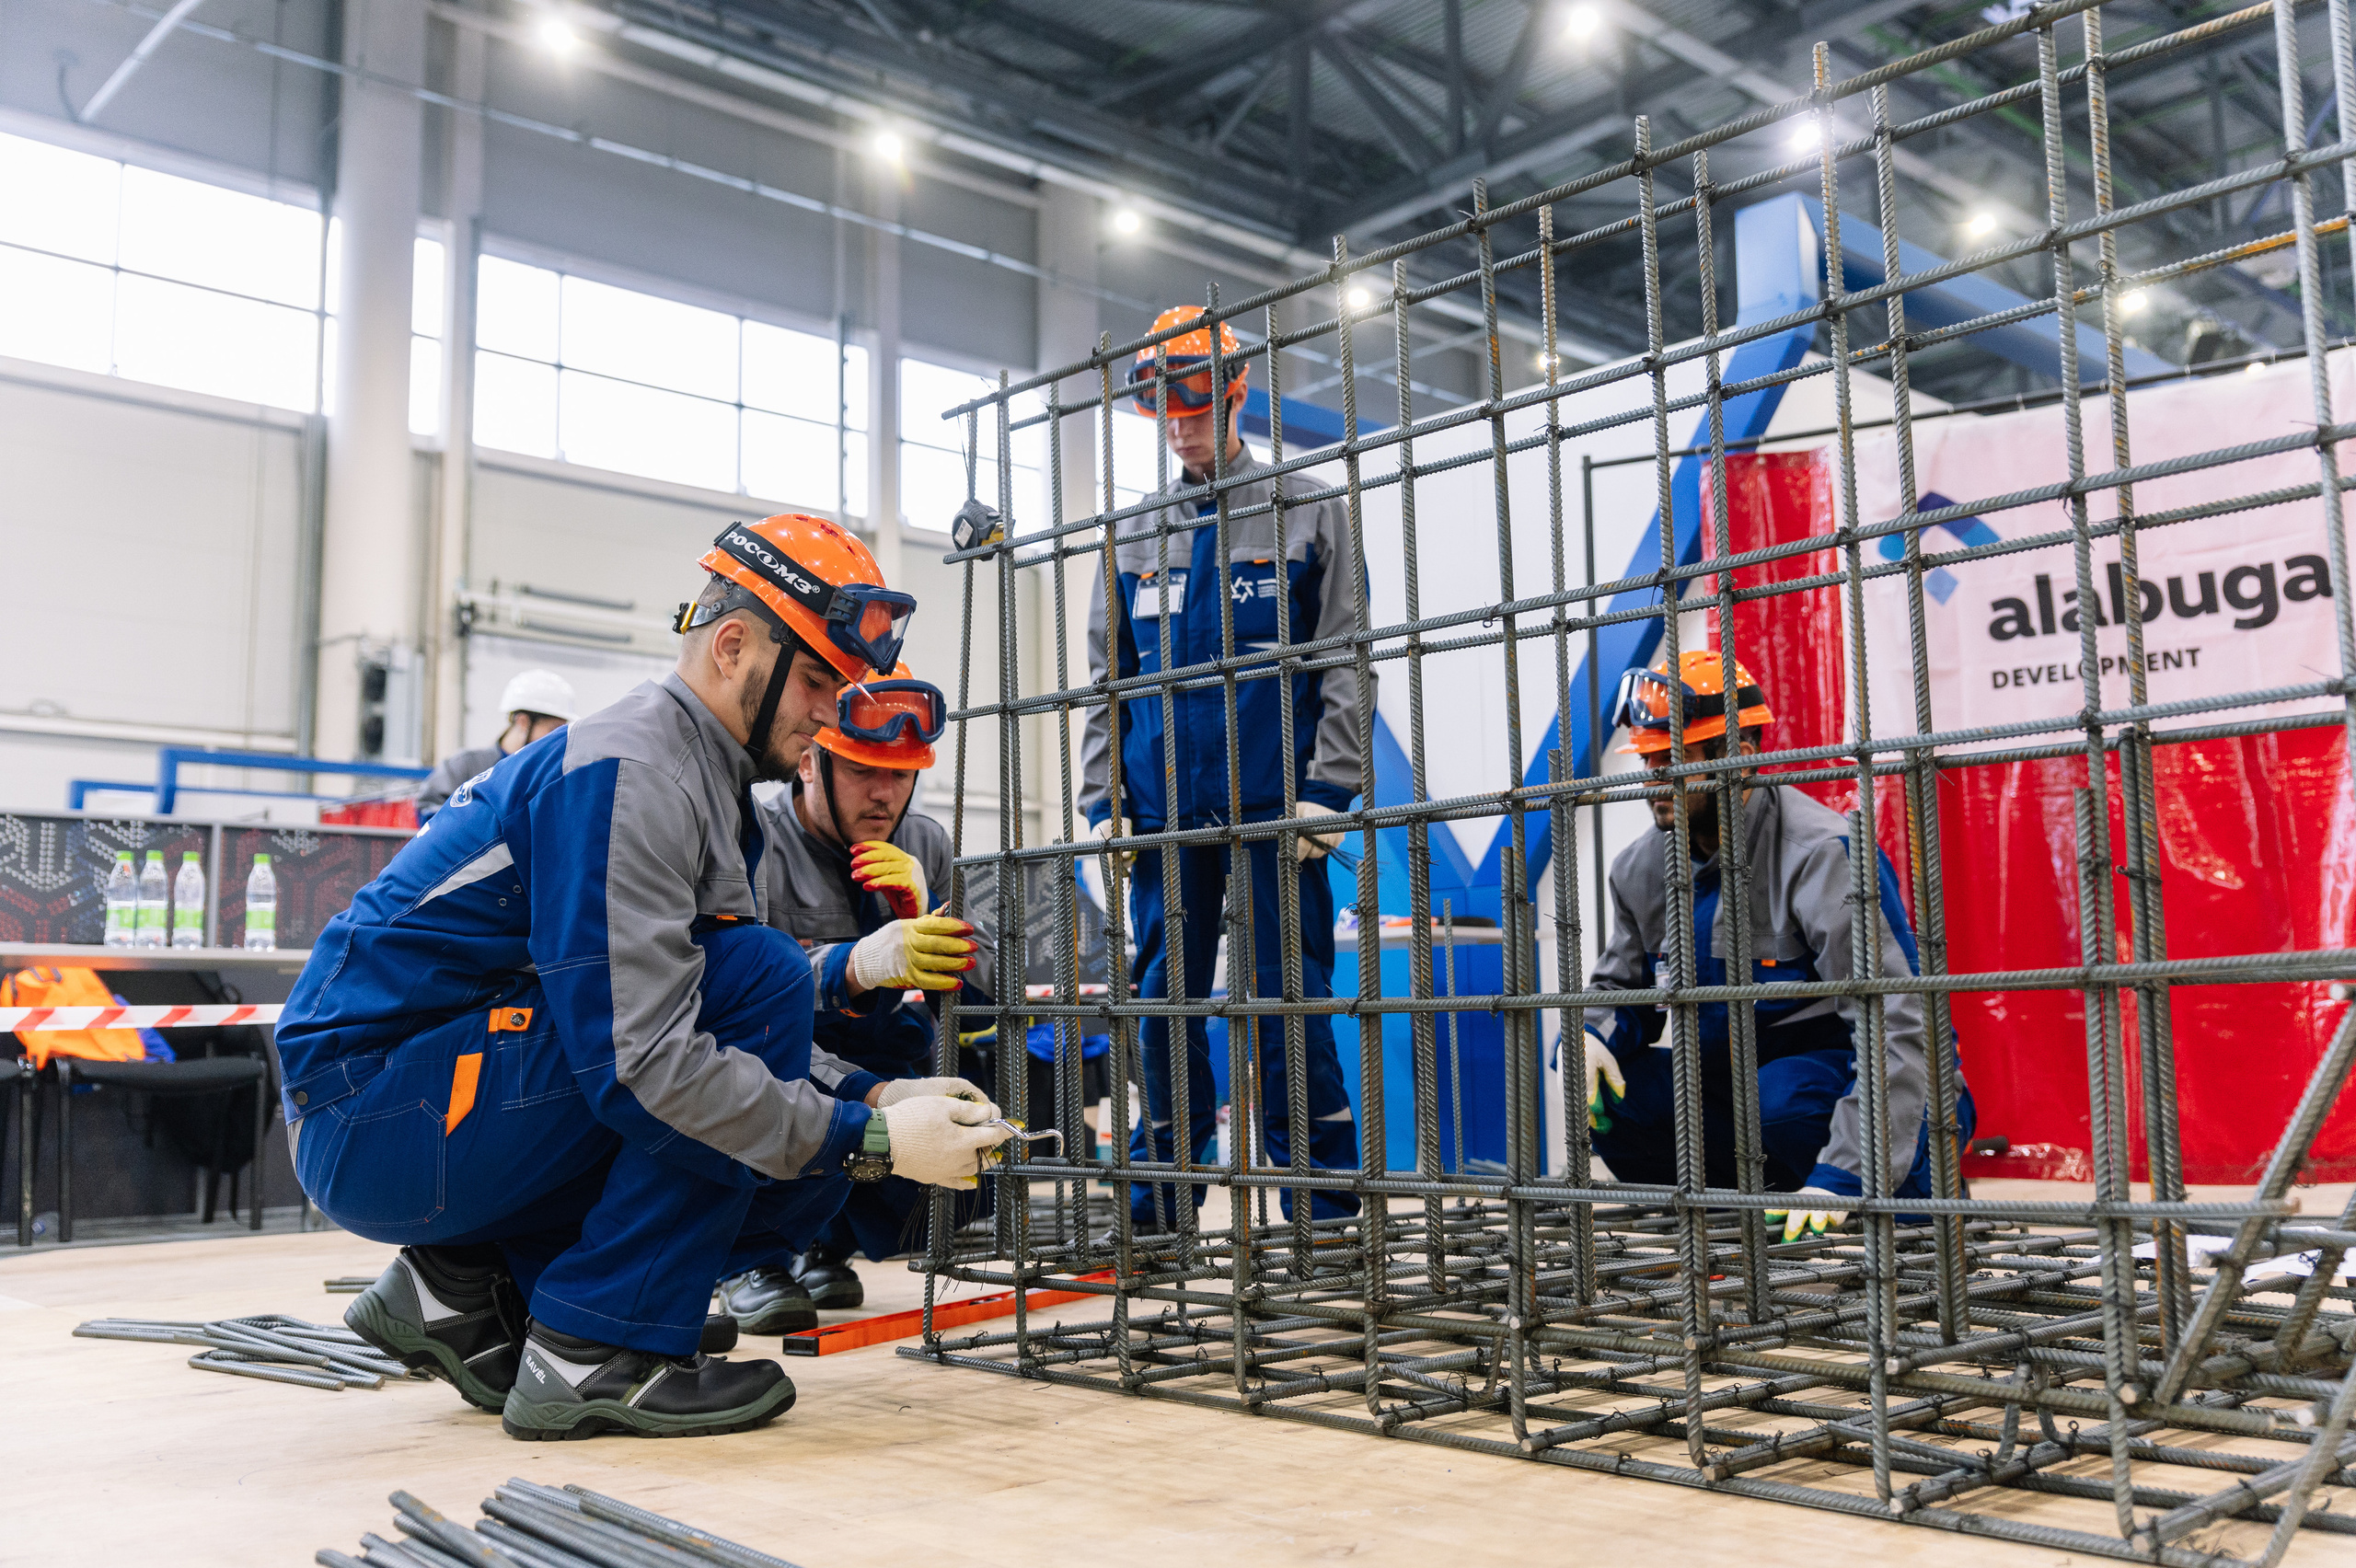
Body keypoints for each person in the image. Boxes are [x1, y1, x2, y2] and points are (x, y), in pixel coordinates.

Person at [276, 514, 1008, 1442]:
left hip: (423, 1098)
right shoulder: (637, 771)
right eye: (819, 679)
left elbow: (676, 1015)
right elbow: (646, 1059)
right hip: (371, 1111)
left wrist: (880, 1093)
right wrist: (869, 1135)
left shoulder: (698, 775)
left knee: (771, 1054)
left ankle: (462, 1288)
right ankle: (595, 1348)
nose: (828, 715)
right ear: (734, 647)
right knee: (761, 993)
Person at [1080, 305, 1369, 1235]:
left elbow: (1346, 657)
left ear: (1237, 390)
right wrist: (1102, 800)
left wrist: (1329, 789)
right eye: (1164, 405)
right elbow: (1104, 677)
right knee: (1164, 1001)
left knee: (1291, 1001)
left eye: (1195, 399)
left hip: (1278, 814)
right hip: (1165, 818)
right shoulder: (1132, 534)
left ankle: (1321, 1205)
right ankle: (1162, 1200)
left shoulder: (1308, 507)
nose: (1181, 421)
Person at [1582, 651, 1974, 1239]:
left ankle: (1898, 1207)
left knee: (1781, 1100)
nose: (1655, 779)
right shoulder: (1639, 869)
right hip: (1733, 1087)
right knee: (1613, 1097)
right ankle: (1732, 1220)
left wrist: (1847, 1172)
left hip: (1851, 1085)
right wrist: (1594, 1034)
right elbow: (1619, 989)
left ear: (1739, 755)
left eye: (1675, 759)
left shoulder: (1821, 853)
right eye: (1647, 759)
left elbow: (1899, 1020)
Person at [717, 663, 984, 1332]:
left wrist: (930, 918)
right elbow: (739, 999)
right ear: (809, 762)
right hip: (775, 1050)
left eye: (900, 774)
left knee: (934, 1063)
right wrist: (857, 965)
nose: (885, 794)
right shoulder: (758, 837)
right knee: (764, 1060)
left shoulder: (924, 840)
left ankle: (823, 1243)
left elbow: (991, 993)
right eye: (864, 770)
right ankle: (747, 1258)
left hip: (871, 1051)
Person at [416, 669, 579, 820]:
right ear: (523, 722)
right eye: (552, 729)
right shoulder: (466, 766)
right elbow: (429, 812)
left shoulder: (549, 776)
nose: (556, 738)